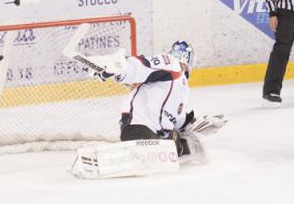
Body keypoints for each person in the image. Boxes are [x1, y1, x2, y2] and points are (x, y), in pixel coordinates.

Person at [92, 40, 226, 158]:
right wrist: (121, 67)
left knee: (184, 147)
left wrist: (193, 121)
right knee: (170, 149)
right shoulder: (172, 64)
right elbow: (143, 66)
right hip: (138, 128)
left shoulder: (181, 87)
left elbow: (174, 116)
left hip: (158, 135)